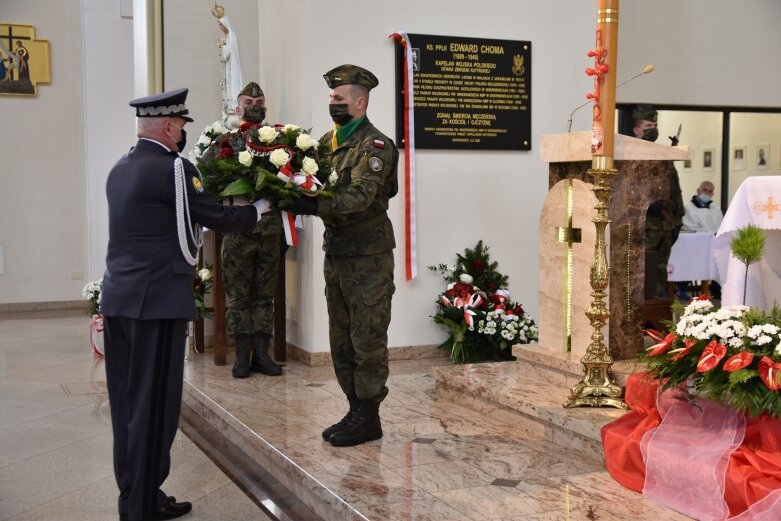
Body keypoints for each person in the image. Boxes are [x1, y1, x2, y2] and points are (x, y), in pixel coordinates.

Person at [101, 88, 271, 521]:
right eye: (181, 127)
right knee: (154, 405)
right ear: (169, 126)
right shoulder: (174, 169)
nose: (182, 136)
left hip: (120, 300)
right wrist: (261, 208)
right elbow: (214, 216)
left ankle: (136, 495)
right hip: (156, 304)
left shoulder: (120, 168)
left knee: (127, 404)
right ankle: (140, 505)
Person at [288, 64, 399, 447]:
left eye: (339, 98)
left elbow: (358, 198)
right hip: (337, 253)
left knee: (367, 338)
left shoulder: (376, 146)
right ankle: (354, 408)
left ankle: (369, 416)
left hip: (369, 256)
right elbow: (307, 178)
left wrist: (309, 204)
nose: (332, 103)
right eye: (331, 98)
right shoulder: (325, 143)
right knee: (341, 339)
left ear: (360, 102)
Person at [219, 81, 284, 378]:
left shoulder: (281, 141)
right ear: (238, 106)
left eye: (259, 102)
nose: (255, 106)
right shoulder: (225, 141)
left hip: (269, 229)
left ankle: (262, 353)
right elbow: (212, 179)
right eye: (249, 102)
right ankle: (241, 355)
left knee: (264, 294)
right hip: (239, 229)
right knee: (239, 296)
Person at [628, 105, 685, 298]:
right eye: (648, 125)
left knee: (660, 273)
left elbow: (674, 187)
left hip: (666, 225)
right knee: (643, 272)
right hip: (645, 225)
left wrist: (678, 217)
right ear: (636, 129)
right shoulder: (629, 155)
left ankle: (657, 313)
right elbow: (630, 190)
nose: (653, 128)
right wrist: (650, 205)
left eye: (655, 124)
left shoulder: (662, 154)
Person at [217, 15, 243, 115]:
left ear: (225, 25)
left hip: (232, 69)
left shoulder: (232, 37)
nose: (219, 27)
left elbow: (225, 55)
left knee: (232, 87)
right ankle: (230, 109)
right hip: (229, 67)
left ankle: (233, 108)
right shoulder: (229, 37)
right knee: (229, 86)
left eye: (220, 25)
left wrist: (221, 45)